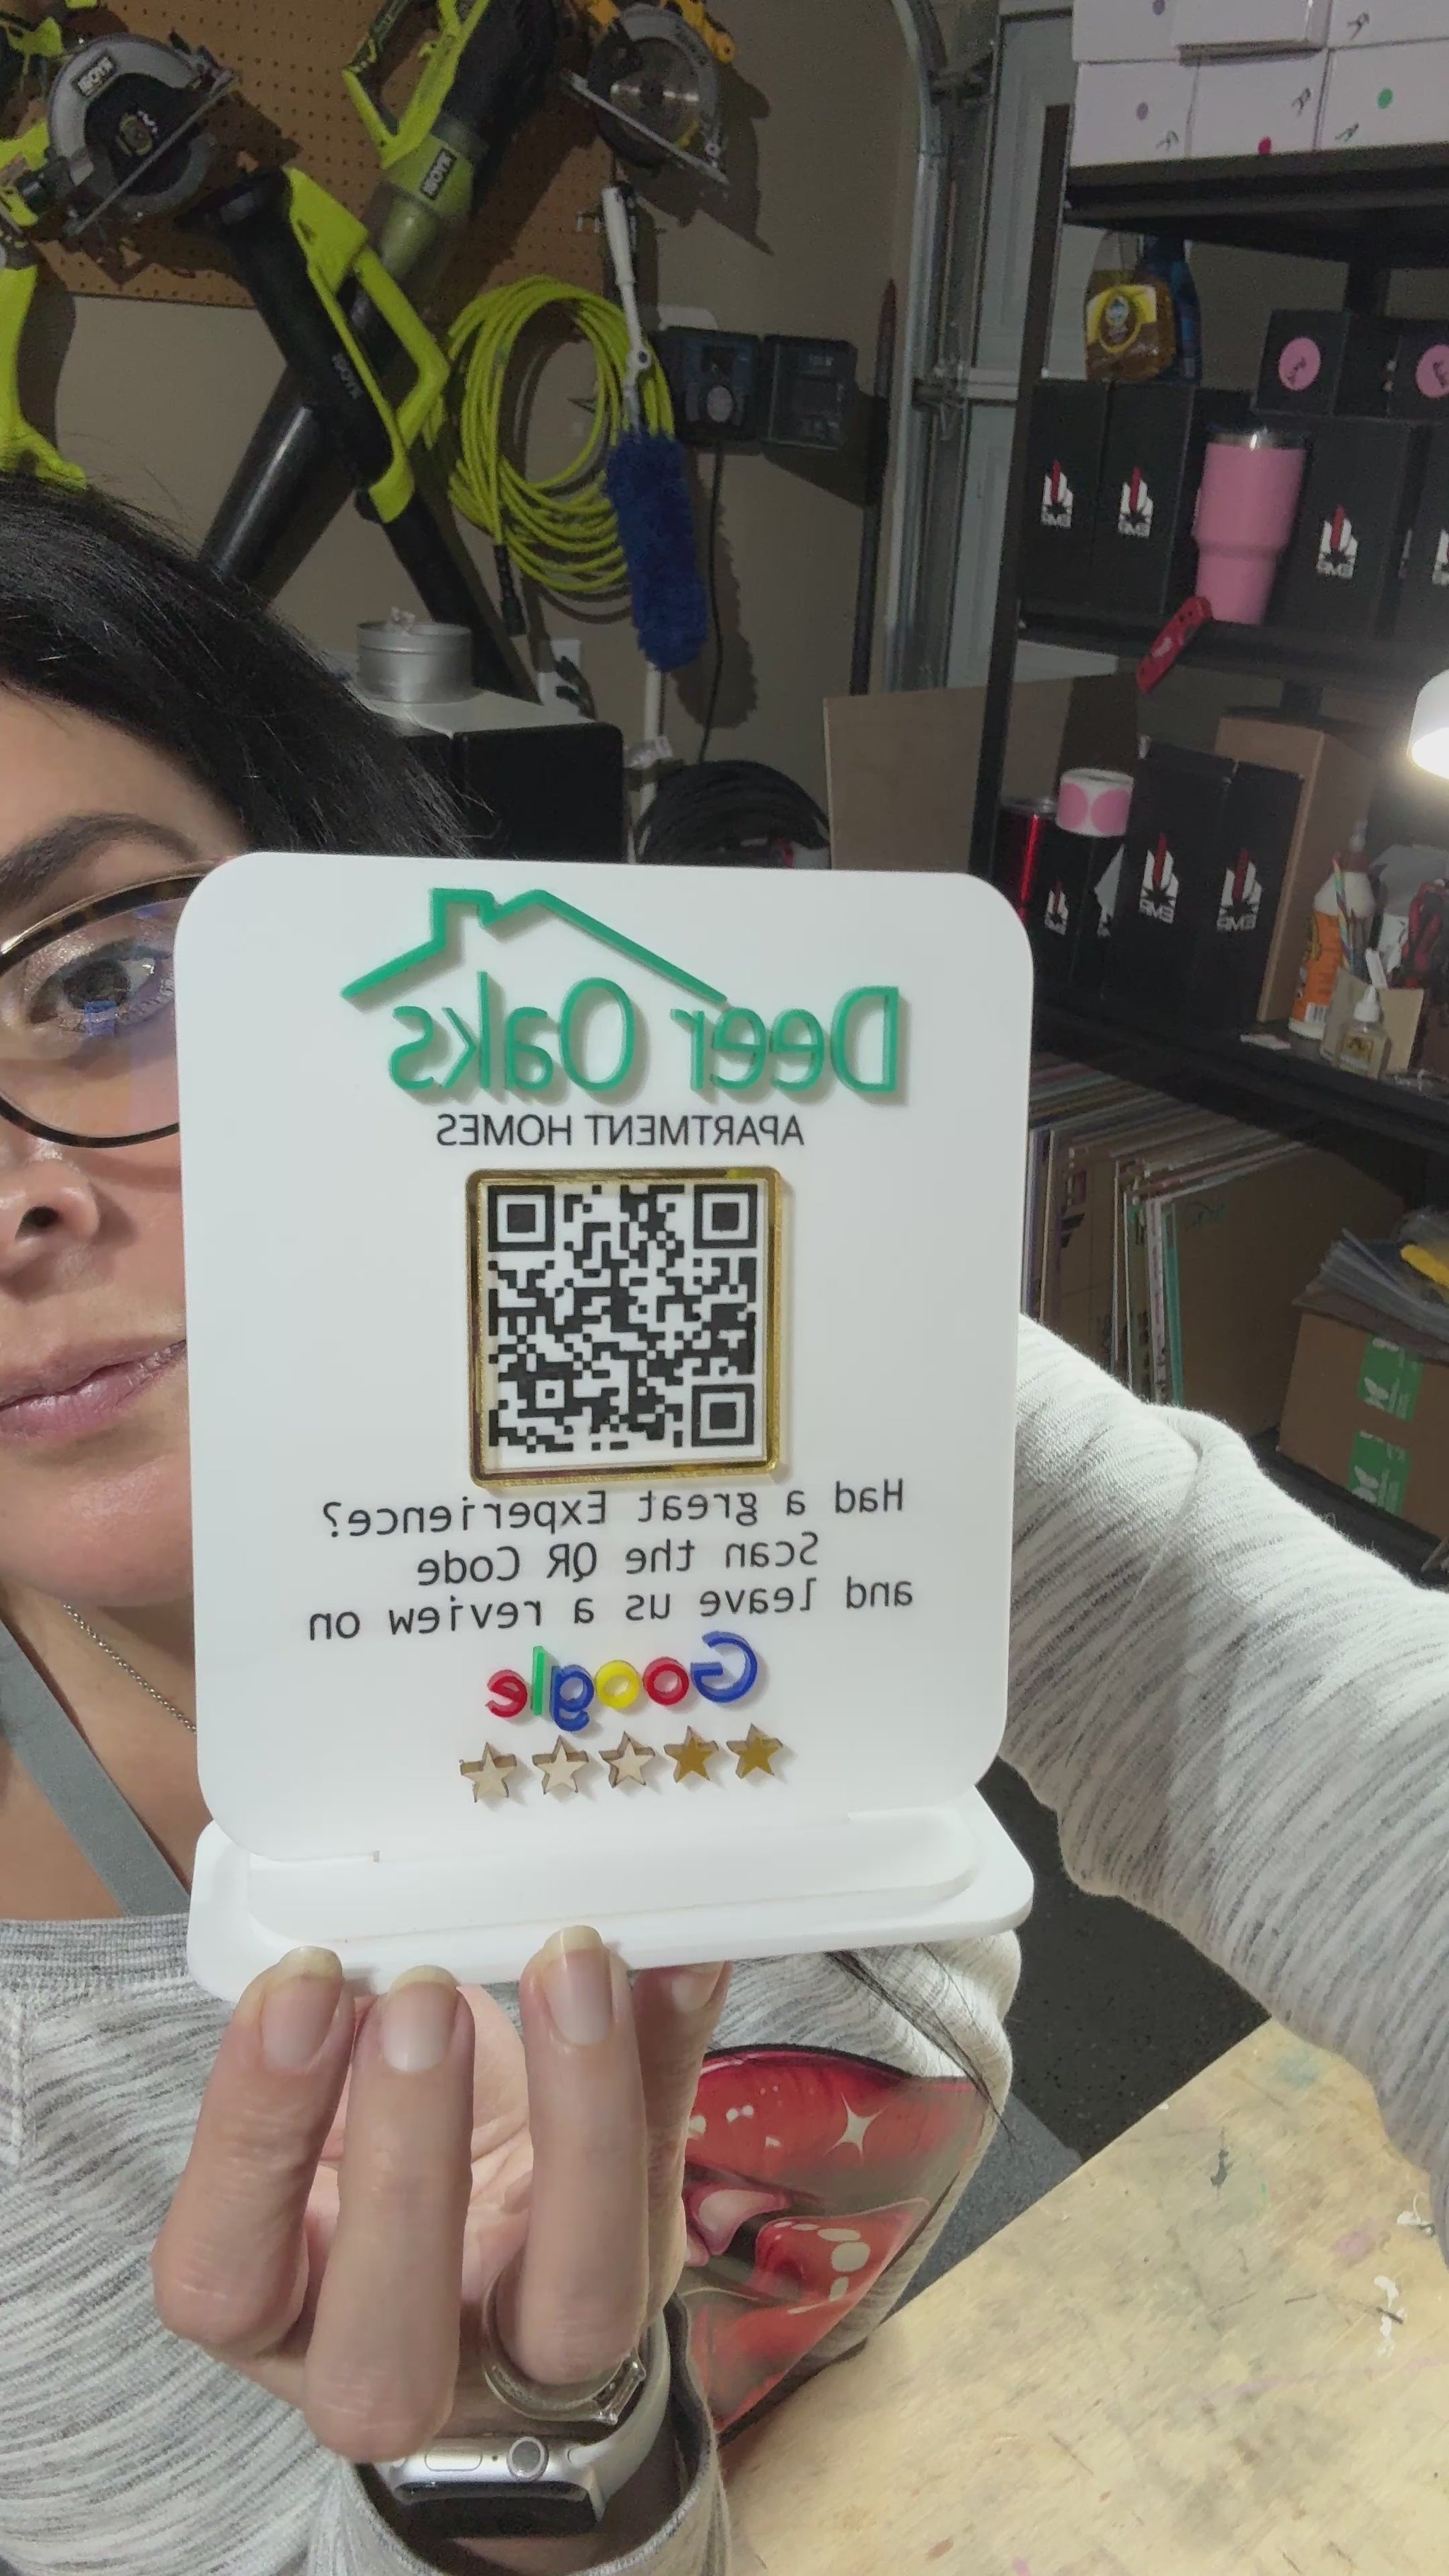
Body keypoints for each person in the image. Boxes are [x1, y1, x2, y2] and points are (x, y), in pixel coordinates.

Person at [0, 475, 1445, 2576]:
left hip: (1014, 2354)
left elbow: (1317, 1718)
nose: (16, 1201)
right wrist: (523, 2475)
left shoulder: (723, 1346)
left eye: (102, 977)